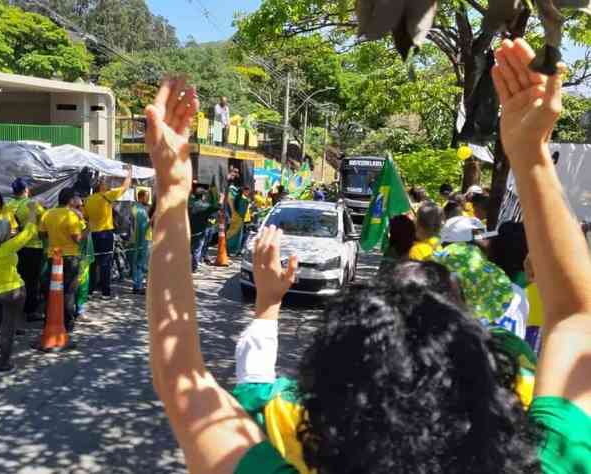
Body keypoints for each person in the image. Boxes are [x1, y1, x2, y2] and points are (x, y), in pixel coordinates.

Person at [142, 45, 591, 471]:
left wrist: (174, 190)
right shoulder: (552, 462)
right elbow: (574, 314)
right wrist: (530, 152)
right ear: (492, 392)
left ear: (322, 411)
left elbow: (180, 372)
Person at [0, 201, 39, 374]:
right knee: (8, 328)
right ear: (3, 234)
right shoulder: (7, 248)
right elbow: (29, 232)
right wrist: (33, 211)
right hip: (12, 291)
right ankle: (3, 364)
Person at [40, 190, 86, 334]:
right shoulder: (72, 215)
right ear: (70, 200)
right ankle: (67, 322)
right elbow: (77, 239)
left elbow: (41, 234)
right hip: (70, 257)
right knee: (68, 290)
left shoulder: (48, 214)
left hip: (53, 256)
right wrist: (86, 227)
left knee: (52, 291)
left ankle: (49, 320)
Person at [83, 168, 132, 299]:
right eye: (105, 182)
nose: (108, 184)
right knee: (105, 263)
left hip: (92, 234)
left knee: (93, 263)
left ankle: (90, 291)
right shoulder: (107, 195)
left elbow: (85, 216)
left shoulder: (88, 200)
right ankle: (105, 292)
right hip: (105, 234)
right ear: (100, 186)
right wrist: (129, 172)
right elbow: (125, 187)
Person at [6, 178, 46, 323]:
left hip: (15, 247)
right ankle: (30, 311)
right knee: (32, 280)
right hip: (33, 246)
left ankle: (17, 309)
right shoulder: (32, 204)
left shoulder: (8, 205)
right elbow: (44, 218)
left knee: (18, 278)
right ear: (26, 189)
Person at [188, 188, 221, 272]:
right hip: (199, 231)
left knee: (189, 249)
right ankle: (194, 267)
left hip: (189, 230)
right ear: (203, 196)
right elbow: (217, 207)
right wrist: (221, 200)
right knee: (197, 250)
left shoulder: (190, 204)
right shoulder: (205, 206)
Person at [130, 189, 152, 294]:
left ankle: (138, 285)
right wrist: (151, 221)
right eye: (146, 197)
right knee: (139, 263)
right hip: (140, 240)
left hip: (143, 239)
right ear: (141, 197)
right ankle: (137, 286)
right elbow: (141, 226)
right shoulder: (137, 208)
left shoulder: (141, 208)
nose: (148, 199)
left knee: (141, 263)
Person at [227, 186, 251, 256]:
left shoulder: (235, 198)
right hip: (240, 219)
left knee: (230, 233)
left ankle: (227, 249)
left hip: (234, 217)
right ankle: (233, 250)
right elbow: (243, 210)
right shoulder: (244, 199)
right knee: (237, 236)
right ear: (244, 191)